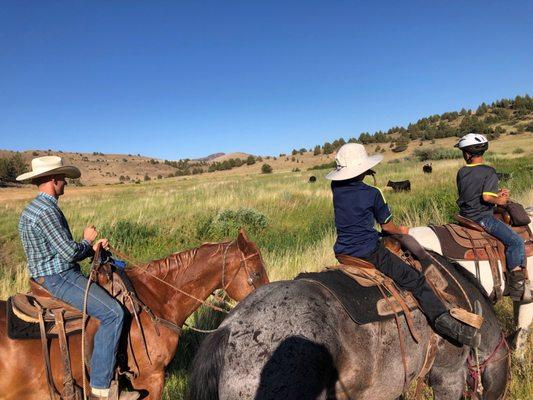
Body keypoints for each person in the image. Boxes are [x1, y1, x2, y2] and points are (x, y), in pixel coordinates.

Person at [326, 143, 479, 347]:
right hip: (368, 252)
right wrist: (402, 231)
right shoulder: (373, 193)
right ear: (363, 169)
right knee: (415, 279)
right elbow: (388, 227)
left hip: (343, 251)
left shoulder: (336, 187)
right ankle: (446, 323)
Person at [17, 156, 139, 400]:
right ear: (54, 180)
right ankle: (102, 389)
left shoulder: (32, 208)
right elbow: (69, 252)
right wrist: (88, 241)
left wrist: (90, 251)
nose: (66, 183)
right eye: (63, 179)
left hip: (44, 274)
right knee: (113, 313)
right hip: (58, 277)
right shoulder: (47, 210)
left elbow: (56, 249)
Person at [454, 133, 529, 302]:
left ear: (467, 154)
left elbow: (473, 194)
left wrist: (494, 194)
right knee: (516, 241)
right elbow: (486, 198)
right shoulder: (489, 171)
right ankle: (517, 285)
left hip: (464, 215)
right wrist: (500, 199)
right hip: (482, 218)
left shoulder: (462, 172)